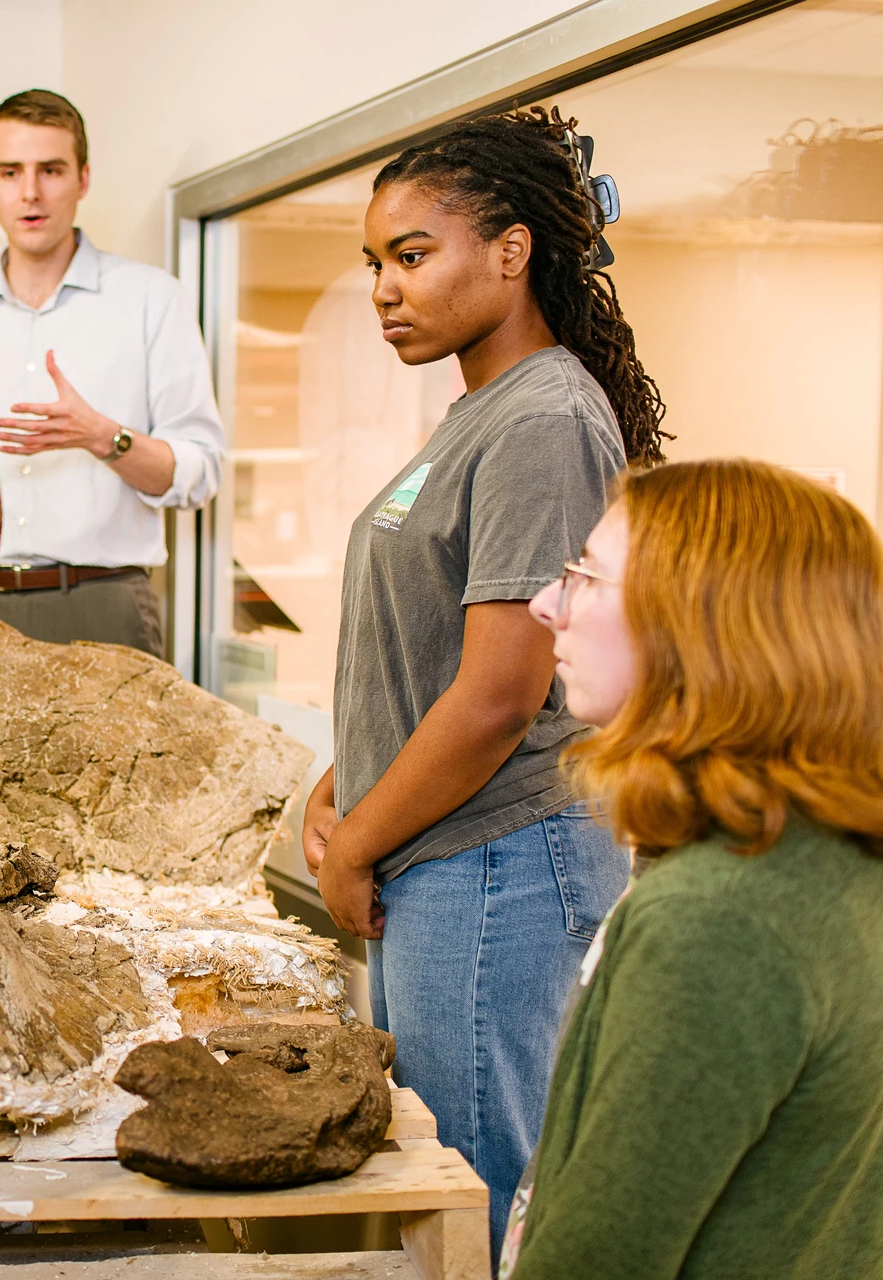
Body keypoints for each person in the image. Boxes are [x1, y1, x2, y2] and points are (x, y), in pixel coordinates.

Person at [300, 108, 666, 1258]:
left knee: (471, 1192)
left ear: (511, 251)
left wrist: (359, 839)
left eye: (413, 255)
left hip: (497, 861)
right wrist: (341, 773)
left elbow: (503, 691)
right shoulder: (483, 413)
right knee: (432, 1186)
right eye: (375, 263)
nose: (384, 289)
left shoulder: (547, 416)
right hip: (449, 855)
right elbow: (430, 654)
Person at [499, 458, 883, 1278]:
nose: (545, 604)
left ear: (704, 628)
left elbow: (597, 1259)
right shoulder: (834, 856)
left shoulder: (719, 920)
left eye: (587, 578)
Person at [0, 89, 223, 659]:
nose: (30, 192)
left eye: (51, 170)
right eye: (10, 172)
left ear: (82, 179)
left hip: (104, 606)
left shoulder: (153, 300)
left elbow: (201, 473)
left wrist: (103, 436)